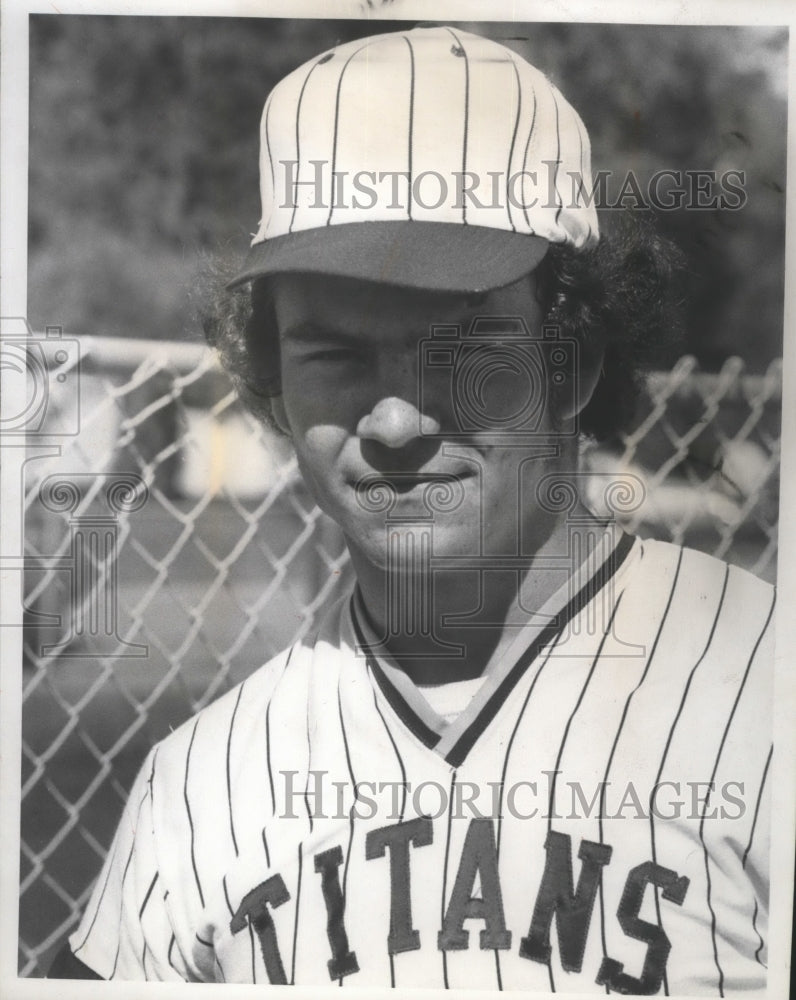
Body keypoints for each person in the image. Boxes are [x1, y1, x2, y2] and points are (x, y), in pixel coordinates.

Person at [49, 25, 774, 993]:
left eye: (460, 347)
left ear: (574, 360)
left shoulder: (762, 691)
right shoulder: (200, 787)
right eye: (335, 355)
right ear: (273, 390)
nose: (393, 420)